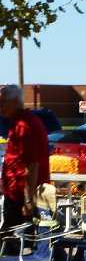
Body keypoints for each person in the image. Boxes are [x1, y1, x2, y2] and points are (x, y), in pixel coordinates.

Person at [0, 85, 50, 246]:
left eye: (3, 103)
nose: (0, 107)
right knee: (15, 240)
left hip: (20, 196)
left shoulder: (24, 125)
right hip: (15, 193)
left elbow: (32, 165)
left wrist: (28, 200)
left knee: (10, 241)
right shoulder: (18, 123)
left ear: (15, 103)